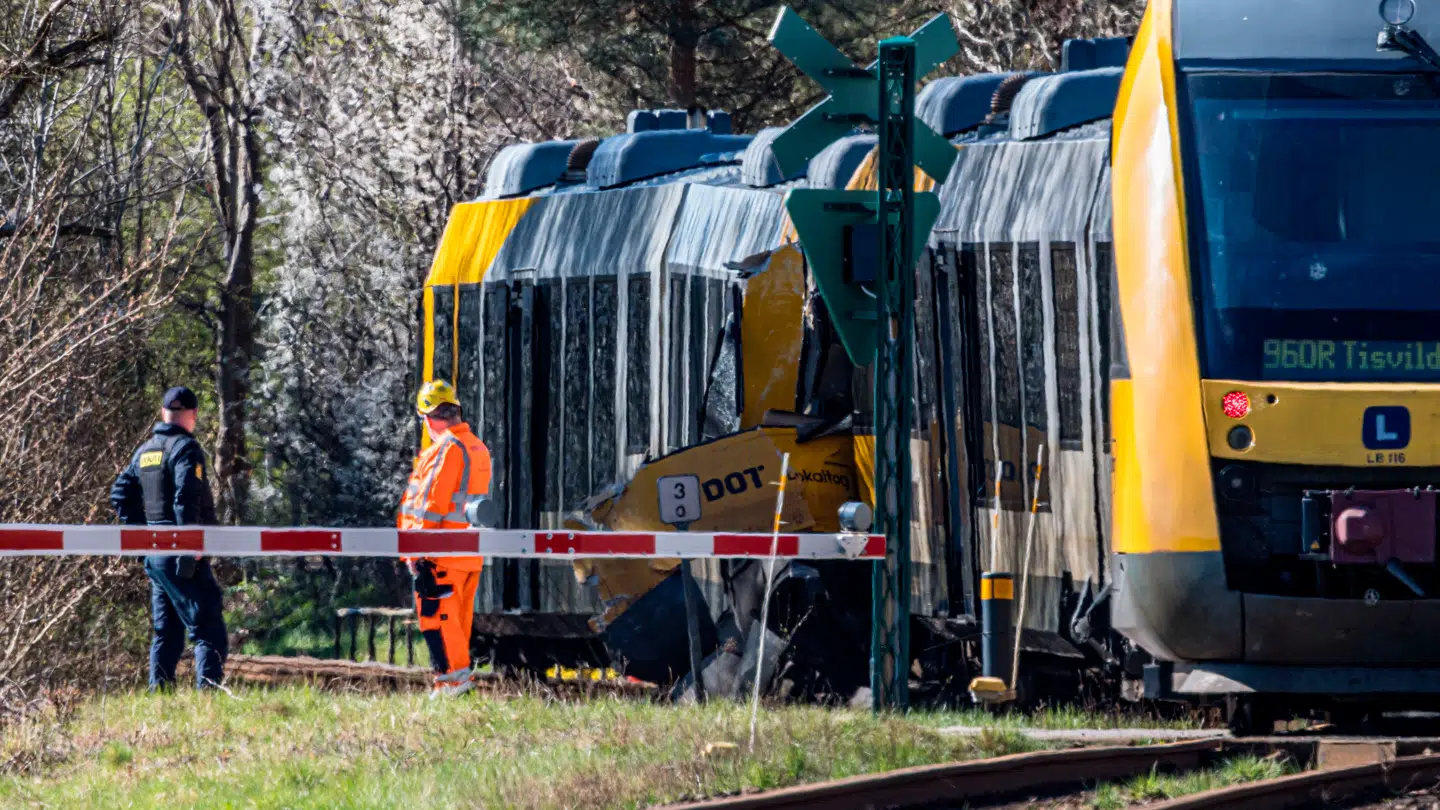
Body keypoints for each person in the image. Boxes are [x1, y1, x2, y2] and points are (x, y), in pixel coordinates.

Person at [109, 386, 227, 691]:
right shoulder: (186, 449)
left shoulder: (146, 451)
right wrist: (188, 548)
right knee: (208, 628)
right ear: (192, 415)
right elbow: (186, 498)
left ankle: (159, 695)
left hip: (157, 557)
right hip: (181, 557)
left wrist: (144, 541)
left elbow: (120, 494)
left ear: (164, 413)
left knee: (167, 632)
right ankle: (210, 699)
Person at [401, 380, 491, 699]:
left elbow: (432, 505)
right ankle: (453, 681)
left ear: (430, 416)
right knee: (458, 622)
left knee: (437, 620)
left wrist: (416, 548)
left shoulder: (447, 448)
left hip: (439, 554)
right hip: (468, 554)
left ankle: (452, 683)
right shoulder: (477, 447)